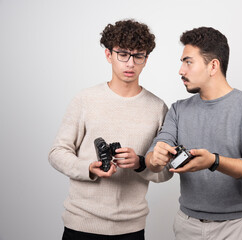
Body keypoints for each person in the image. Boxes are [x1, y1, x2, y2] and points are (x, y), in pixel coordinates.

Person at [145, 26, 242, 240]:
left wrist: (214, 161)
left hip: (238, 227)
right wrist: (155, 157)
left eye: (188, 62)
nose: (181, 70)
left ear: (213, 65)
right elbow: (153, 157)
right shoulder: (178, 109)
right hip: (187, 224)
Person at [48, 19, 171, 240]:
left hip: (131, 228)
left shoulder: (158, 108)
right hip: (81, 223)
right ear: (108, 55)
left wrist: (141, 163)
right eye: (123, 54)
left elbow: (166, 170)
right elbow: (57, 153)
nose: (130, 63)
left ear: (146, 59)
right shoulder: (85, 99)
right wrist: (89, 168)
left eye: (138, 55)